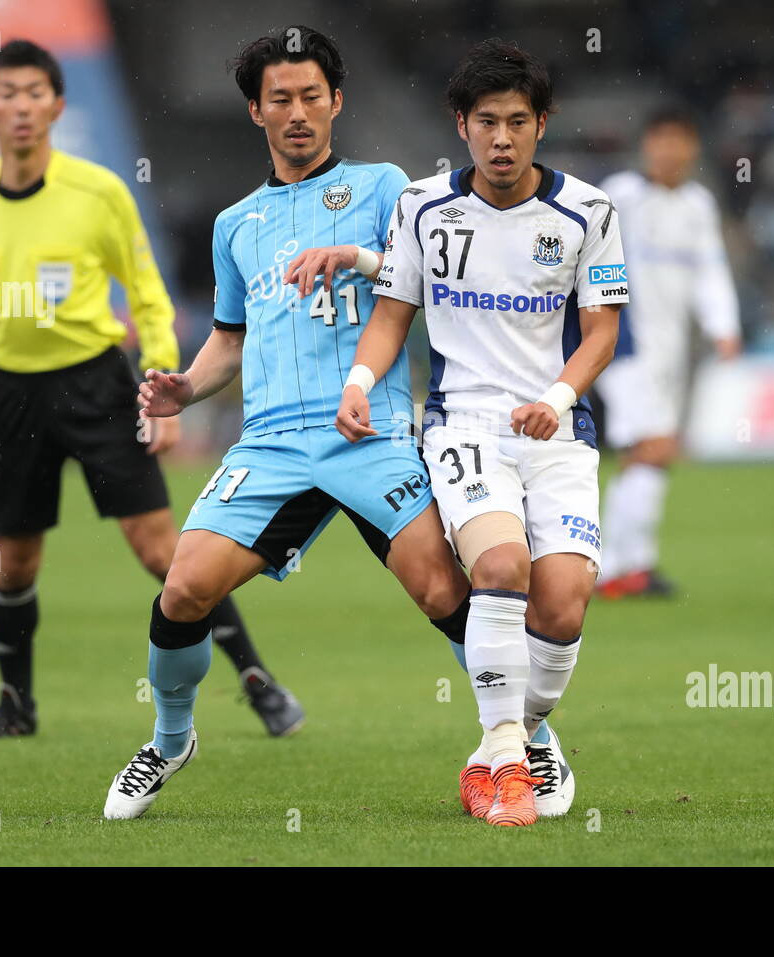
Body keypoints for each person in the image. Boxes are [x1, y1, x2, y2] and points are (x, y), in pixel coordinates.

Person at [102, 26, 475, 820]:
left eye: (311, 96)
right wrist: (186, 389)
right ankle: (170, 739)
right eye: (281, 99)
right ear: (255, 111)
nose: (298, 112)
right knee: (184, 588)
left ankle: (522, 739)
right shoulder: (235, 224)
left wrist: (359, 259)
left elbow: (427, 283)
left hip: (368, 431)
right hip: (270, 444)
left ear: (337, 101)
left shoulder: (384, 187)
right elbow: (231, 338)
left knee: (441, 585)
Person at [0, 39, 301, 741]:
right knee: (13, 564)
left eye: (34, 93)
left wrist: (161, 384)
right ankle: (15, 706)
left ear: (57, 105)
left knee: (165, 554)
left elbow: (147, 293)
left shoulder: (98, 191)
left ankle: (259, 683)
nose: (21, 107)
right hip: (11, 394)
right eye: (7, 94)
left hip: (96, 385)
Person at [336, 39, 628, 827]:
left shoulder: (588, 213)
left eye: (518, 122)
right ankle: (509, 765)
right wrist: (359, 383)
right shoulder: (422, 207)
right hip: (463, 423)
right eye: (487, 122)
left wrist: (558, 396)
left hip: (558, 429)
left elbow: (601, 331)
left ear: (543, 124)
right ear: (460, 123)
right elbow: (391, 313)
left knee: (562, 607)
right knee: (501, 565)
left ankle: (507, 742)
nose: (502, 139)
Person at [596, 105, 741, 599]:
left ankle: (629, 565)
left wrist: (723, 325)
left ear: (692, 148)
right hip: (625, 344)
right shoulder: (621, 195)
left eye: (679, 140)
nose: (670, 151)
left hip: (673, 350)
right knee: (653, 445)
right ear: (646, 145)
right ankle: (617, 567)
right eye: (661, 139)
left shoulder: (698, 204)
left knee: (652, 453)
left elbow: (710, 269)